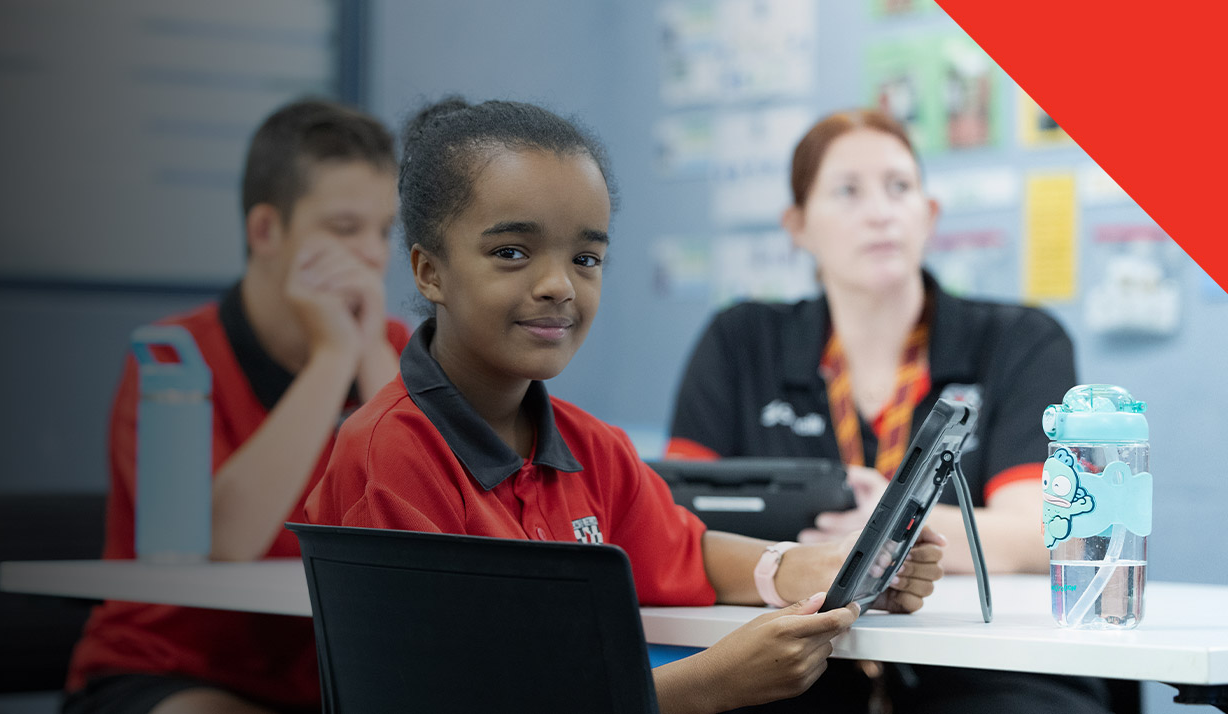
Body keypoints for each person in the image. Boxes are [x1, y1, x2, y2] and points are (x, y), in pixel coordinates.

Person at [302, 97, 945, 714]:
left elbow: (682, 555)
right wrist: (704, 685)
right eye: (511, 253)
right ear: (428, 271)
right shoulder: (388, 455)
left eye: (586, 258)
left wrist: (822, 570)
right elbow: (452, 698)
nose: (558, 285)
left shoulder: (593, 450)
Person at [665, 108, 1108, 712]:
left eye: (899, 188)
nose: (880, 212)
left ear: (928, 216)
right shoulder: (740, 341)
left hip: (980, 663)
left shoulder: (1021, 340)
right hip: (795, 654)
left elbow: (1045, 533)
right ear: (797, 226)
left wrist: (882, 528)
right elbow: (675, 523)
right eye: (847, 191)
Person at [63, 98, 411, 714]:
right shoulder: (173, 358)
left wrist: (369, 358)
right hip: (165, 671)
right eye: (343, 228)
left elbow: (427, 520)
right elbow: (223, 542)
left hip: (326, 684)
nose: (372, 256)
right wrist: (332, 357)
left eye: (383, 231)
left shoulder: (394, 356)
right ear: (265, 232)